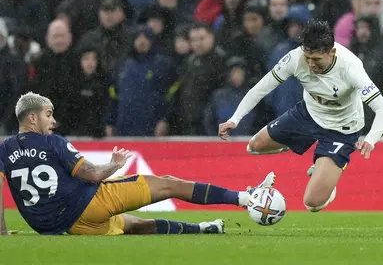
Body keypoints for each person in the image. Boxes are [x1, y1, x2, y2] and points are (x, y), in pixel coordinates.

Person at [0, 92, 275, 235]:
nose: (53, 121)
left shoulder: (5, 149)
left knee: (132, 225)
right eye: (48, 115)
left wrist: (2, 232)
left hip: (58, 227)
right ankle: (245, 198)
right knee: (168, 184)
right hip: (87, 207)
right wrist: (114, 165)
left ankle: (206, 228)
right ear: (32, 118)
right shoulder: (53, 143)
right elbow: (94, 175)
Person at [218, 19, 383, 213]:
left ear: (332, 52)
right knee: (254, 147)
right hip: (308, 115)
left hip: (342, 130)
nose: (311, 64)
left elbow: (380, 106)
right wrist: (235, 119)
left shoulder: (351, 67)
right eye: (308, 58)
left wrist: (371, 140)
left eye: (317, 59)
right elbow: (261, 88)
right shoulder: (295, 58)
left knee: (312, 204)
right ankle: (301, 146)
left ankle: (327, 183)